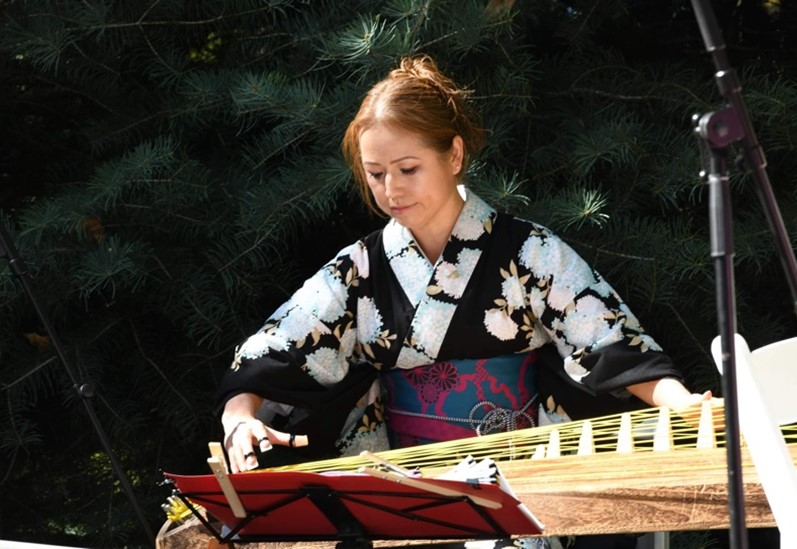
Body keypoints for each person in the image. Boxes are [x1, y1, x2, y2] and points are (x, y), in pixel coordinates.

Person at [215, 55, 718, 549]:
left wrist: (681, 403)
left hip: (522, 485)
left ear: (454, 155)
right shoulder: (359, 270)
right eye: (375, 174)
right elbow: (275, 350)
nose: (391, 189)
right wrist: (240, 416)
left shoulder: (527, 251)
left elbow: (608, 341)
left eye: (408, 169)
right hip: (402, 494)